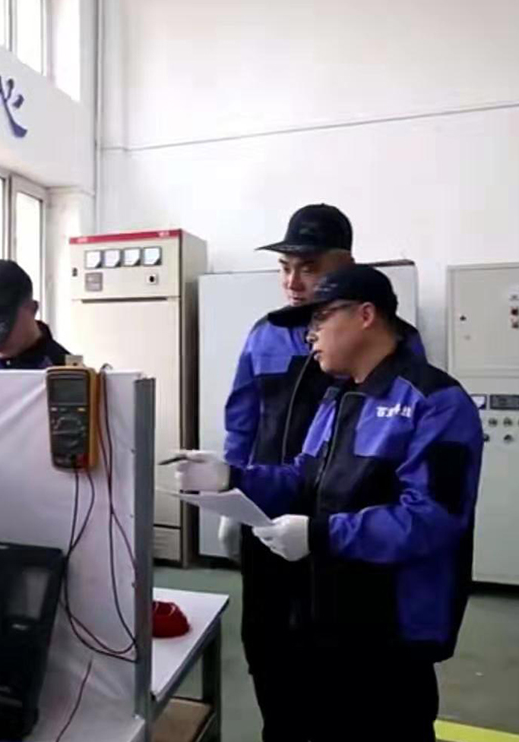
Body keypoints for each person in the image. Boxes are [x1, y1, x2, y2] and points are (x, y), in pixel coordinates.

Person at [175, 265, 483, 742]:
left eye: (320, 319)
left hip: (390, 628)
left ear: (365, 315)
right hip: (325, 609)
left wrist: (320, 535)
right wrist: (231, 476)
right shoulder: (338, 397)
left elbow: (432, 519)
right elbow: (302, 476)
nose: (310, 336)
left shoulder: (435, 402)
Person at [219, 203, 356, 742]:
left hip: (338, 522)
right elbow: (242, 418)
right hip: (267, 511)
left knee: (333, 644)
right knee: (266, 639)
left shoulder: (379, 334)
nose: (293, 283)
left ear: (344, 264)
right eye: (285, 268)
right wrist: (231, 499)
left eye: (309, 268)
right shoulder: (265, 334)